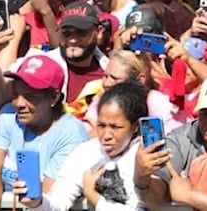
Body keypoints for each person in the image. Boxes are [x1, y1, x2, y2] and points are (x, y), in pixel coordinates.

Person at [0, 54, 89, 210]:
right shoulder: (8, 114)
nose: (19, 103)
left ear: (54, 98)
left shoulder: (71, 133)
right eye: (15, 94)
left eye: (30, 96)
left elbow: (47, 200)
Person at [15, 82, 148, 211]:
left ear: (135, 127)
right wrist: (37, 201)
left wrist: (92, 195)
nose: (106, 135)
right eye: (101, 125)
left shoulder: (146, 156)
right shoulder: (85, 152)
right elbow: (59, 202)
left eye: (116, 127)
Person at [138, 75, 207, 210]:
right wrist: (142, 176)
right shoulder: (179, 139)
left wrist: (189, 196)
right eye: (205, 114)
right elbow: (156, 199)